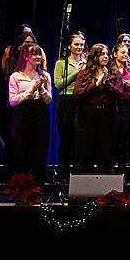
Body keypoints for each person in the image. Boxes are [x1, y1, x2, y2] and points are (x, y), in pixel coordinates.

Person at [73, 43, 124, 173]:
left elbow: (118, 94)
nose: (105, 57)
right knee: (86, 153)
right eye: (102, 54)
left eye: (107, 54)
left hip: (108, 114)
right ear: (94, 57)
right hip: (87, 114)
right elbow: (77, 94)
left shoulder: (114, 73)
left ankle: (105, 191)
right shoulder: (85, 73)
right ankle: (84, 190)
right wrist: (95, 84)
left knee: (105, 153)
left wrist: (105, 82)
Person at [8, 44, 52, 186]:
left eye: (39, 54)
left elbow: (49, 100)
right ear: (26, 56)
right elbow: (13, 100)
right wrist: (30, 91)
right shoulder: (16, 76)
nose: (38, 57)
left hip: (41, 112)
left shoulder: (45, 76)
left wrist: (42, 89)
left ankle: (38, 188)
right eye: (34, 54)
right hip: (23, 113)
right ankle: (21, 188)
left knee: (40, 151)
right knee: (22, 151)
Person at [53, 33, 86, 177]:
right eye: (76, 44)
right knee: (66, 138)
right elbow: (58, 84)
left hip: (82, 100)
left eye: (81, 45)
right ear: (69, 46)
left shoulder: (86, 62)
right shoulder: (62, 63)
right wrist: (76, 74)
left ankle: (79, 173)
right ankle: (63, 174)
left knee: (80, 140)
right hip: (66, 100)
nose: (79, 47)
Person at [110, 41, 130, 171]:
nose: (125, 55)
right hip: (113, 104)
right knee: (112, 135)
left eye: (127, 53)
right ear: (115, 54)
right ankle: (110, 165)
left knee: (124, 136)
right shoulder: (109, 71)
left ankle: (121, 166)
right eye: (122, 53)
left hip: (127, 105)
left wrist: (129, 86)